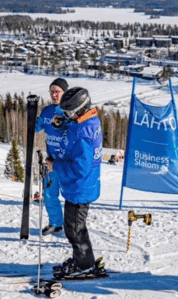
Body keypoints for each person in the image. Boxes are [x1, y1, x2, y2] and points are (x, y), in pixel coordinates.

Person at [50, 87, 105, 277]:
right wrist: (62, 123)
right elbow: (73, 125)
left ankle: (84, 265)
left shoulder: (84, 134)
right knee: (74, 226)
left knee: (74, 229)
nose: (66, 115)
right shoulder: (87, 120)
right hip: (80, 187)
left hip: (81, 187)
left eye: (69, 113)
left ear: (80, 110)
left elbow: (79, 169)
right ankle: (82, 259)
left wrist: (55, 166)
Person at [35, 78, 68, 236]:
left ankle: (73, 227)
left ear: (65, 93)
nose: (54, 94)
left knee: (71, 197)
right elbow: (36, 128)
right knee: (49, 194)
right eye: (52, 91)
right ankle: (56, 223)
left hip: (68, 162)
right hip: (51, 161)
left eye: (58, 91)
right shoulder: (47, 111)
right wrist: (30, 116)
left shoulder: (70, 112)